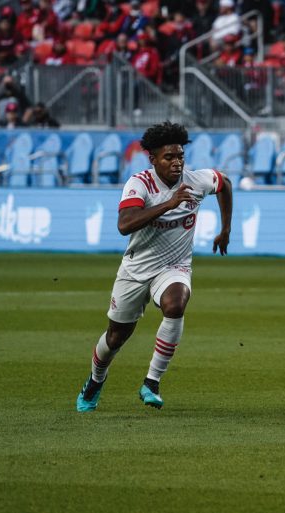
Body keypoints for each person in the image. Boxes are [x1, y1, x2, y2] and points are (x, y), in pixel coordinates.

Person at [75, 122, 233, 412]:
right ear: (153, 159)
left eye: (180, 156)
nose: (176, 163)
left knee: (176, 304)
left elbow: (224, 184)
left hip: (174, 266)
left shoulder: (197, 180)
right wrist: (169, 203)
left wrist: (226, 229)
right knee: (116, 337)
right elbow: (124, 225)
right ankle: (96, 381)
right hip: (136, 269)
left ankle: (152, 382)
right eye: (168, 158)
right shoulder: (139, 184)